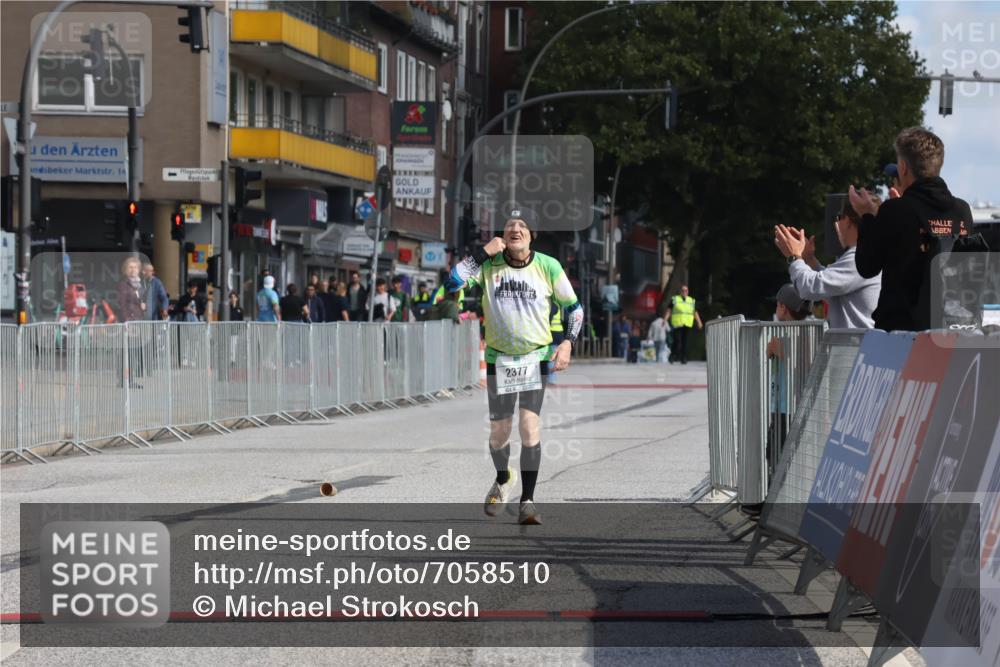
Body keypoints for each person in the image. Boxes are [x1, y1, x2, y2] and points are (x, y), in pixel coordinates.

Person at [445, 207, 583, 526]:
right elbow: (452, 283)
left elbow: (574, 309)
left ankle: (528, 502)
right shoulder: (489, 265)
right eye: (509, 225)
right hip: (499, 358)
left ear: (532, 235)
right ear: (502, 235)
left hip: (535, 356)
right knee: (499, 433)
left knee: (529, 426)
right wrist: (481, 254)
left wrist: (567, 342)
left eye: (522, 225)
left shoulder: (548, 266)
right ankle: (503, 477)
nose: (515, 229)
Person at [849, 126, 975, 332]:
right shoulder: (962, 210)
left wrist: (867, 216)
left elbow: (867, 266)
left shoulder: (895, 210)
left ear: (904, 168)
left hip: (901, 331)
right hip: (950, 329)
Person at [773, 193, 882, 329]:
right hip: (857, 347)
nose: (836, 224)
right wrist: (808, 259)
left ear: (847, 221)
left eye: (838, 217)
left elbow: (810, 288)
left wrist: (794, 257)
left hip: (855, 348)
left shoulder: (858, 258)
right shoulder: (865, 255)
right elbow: (829, 287)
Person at [664, 285, 703, 364]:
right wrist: (665, 320)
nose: (684, 292)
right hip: (677, 323)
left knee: (684, 342)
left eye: (686, 290)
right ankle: (672, 356)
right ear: (680, 291)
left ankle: (683, 358)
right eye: (683, 290)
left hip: (687, 323)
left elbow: (695, 312)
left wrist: (699, 322)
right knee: (677, 341)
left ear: (688, 292)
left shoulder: (691, 301)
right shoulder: (675, 299)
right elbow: (669, 310)